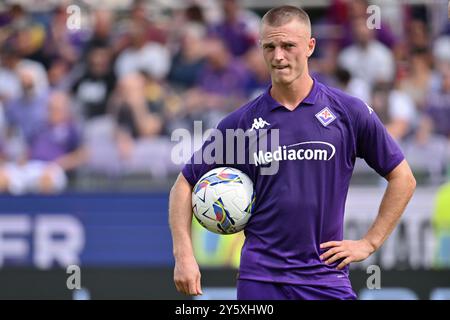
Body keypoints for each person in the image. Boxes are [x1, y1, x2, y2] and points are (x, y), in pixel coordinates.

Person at [168, 5, 416, 300]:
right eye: (269, 46)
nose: (278, 56)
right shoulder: (241, 123)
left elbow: (403, 178)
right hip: (261, 279)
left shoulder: (348, 112)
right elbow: (184, 184)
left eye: (288, 45)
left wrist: (369, 243)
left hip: (326, 278)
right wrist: (184, 255)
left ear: (310, 46)